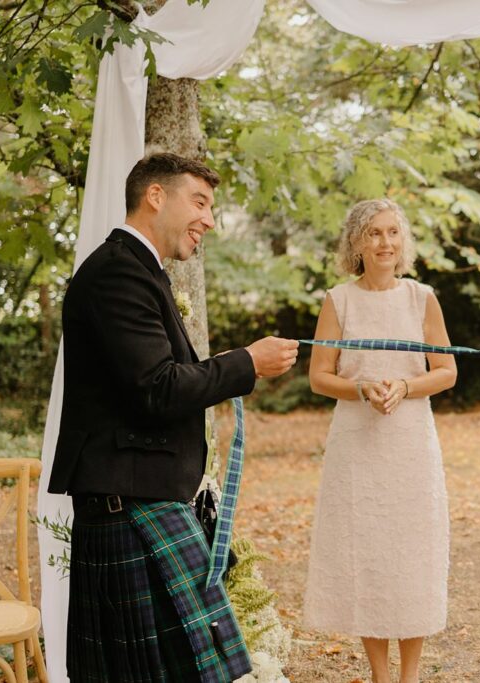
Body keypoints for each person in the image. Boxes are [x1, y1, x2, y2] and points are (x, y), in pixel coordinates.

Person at [48, 152, 299, 682]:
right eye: (200, 202)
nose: (209, 219)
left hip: (145, 497)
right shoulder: (117, 273)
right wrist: (247, 363)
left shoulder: (139, 271)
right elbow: (156, 388)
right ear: (155, 196)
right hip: (128, 506)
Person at [304, 198, 457, 683]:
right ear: (356, 242)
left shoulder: (421, 298)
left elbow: (448, 371)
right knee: (368, 554)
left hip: (410, 443)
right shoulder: (339, 300)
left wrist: (406, 386)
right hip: (357, 445)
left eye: (392, 232)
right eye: (373, 233)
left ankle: (409, 675)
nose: (385, 242)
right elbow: (319, 376)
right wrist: (362, 388)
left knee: (410, 555)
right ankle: (379, 675)